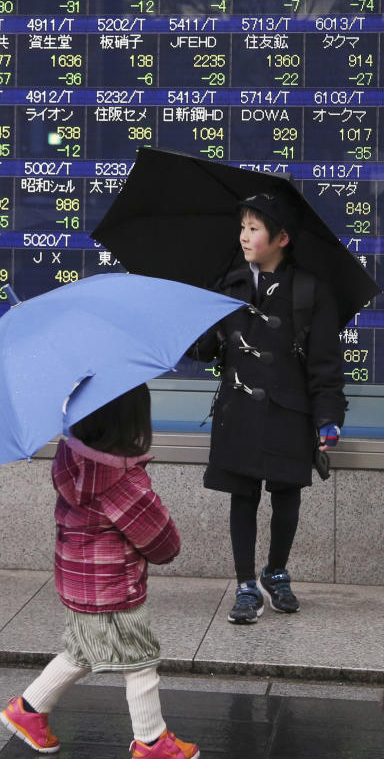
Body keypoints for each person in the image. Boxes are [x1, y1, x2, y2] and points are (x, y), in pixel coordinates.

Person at [0, 384, 199, 758]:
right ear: (132, 423)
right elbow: (163, 544)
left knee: (82, 650)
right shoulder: (121, 483)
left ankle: (27, 710)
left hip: (78, 581)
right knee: (139, 659)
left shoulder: (71, 460)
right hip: (113, 587)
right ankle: (152, 741)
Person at [191, 191, 346, 625]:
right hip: (238, 411)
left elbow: (326, 368)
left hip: (289, 412)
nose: (243, 236)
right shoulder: (227, 285)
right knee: (242, 497)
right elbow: (201, 352)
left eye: (253, 229)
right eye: (242, 227)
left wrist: (328, 420)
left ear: (281, 238)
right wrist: (207, 318)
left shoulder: (312, 291)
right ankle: (244, 584)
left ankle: (276, 571)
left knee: (286, 497)